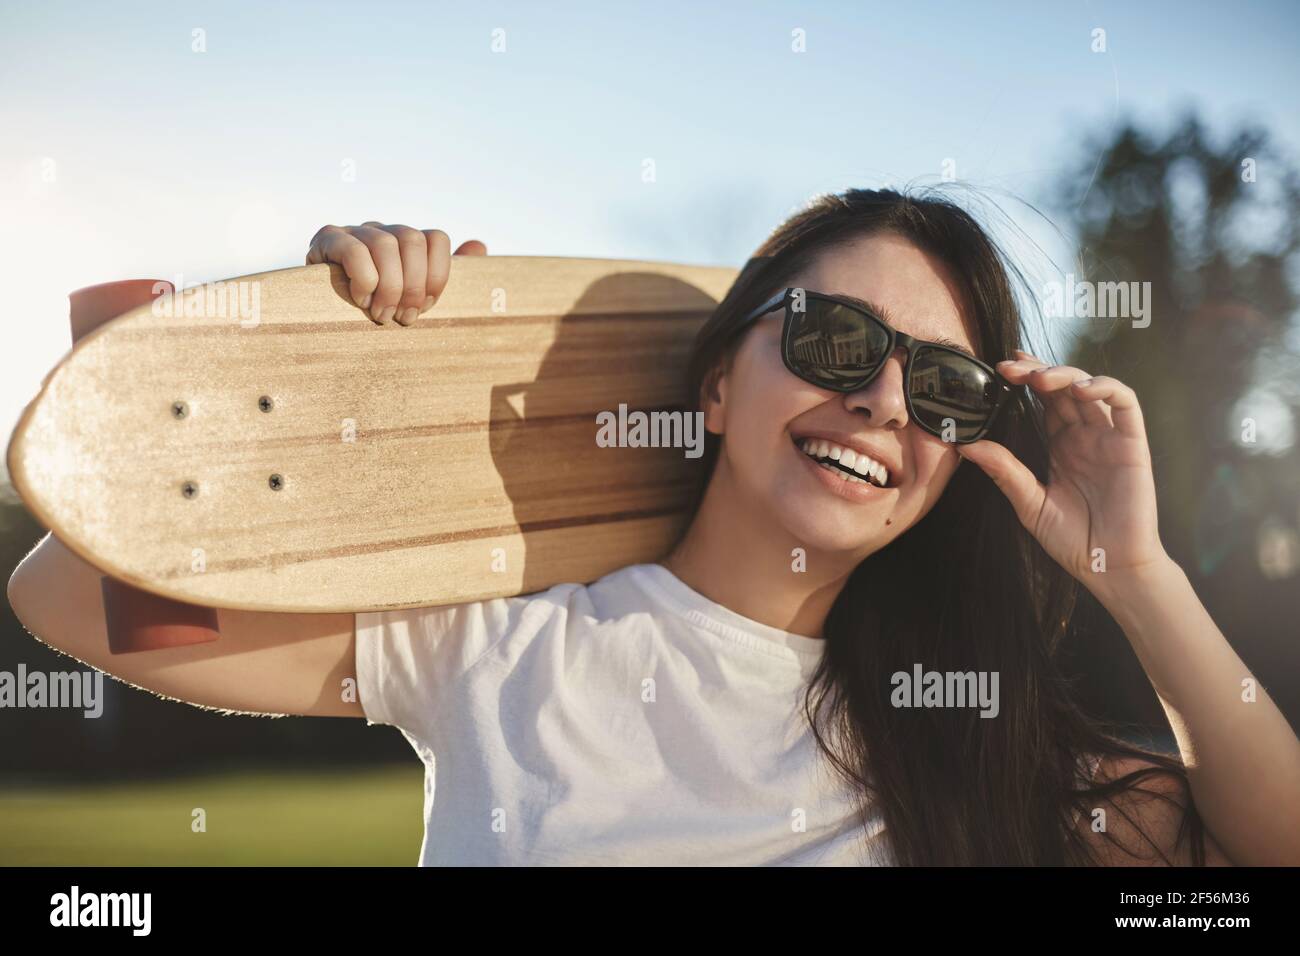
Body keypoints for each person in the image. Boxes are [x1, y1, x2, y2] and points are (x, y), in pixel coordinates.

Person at [12, 188, 1297, 865]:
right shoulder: (499, 640)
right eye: (834, 339)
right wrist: (324, 367)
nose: (883, 398)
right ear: (716, 381)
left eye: (944, 385)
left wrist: (1137, 574)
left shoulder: (982, 750)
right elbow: (76, 596)